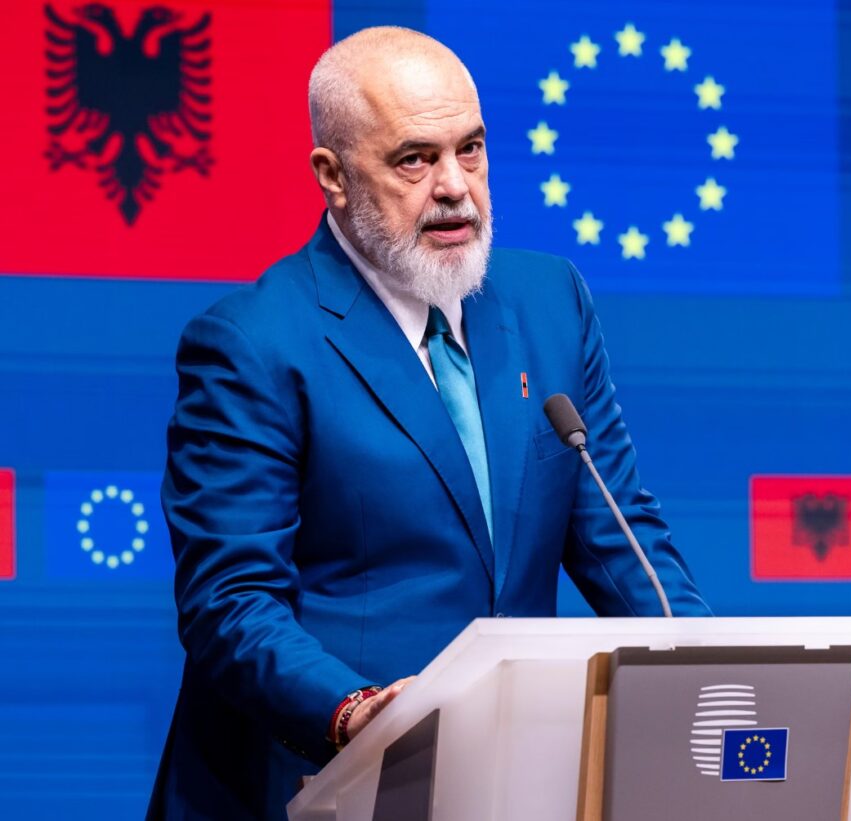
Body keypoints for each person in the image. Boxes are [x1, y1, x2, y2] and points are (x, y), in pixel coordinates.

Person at [147, 26, 710, 821]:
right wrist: (356, 711)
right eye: (415, 160)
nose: (455, 187)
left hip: (509, 782)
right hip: (319, 785)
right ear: (333, 176)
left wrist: (718, 671)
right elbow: (230, 600)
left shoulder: (550, 302)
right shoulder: (255, 342)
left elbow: (623, 538)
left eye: (470, 150)